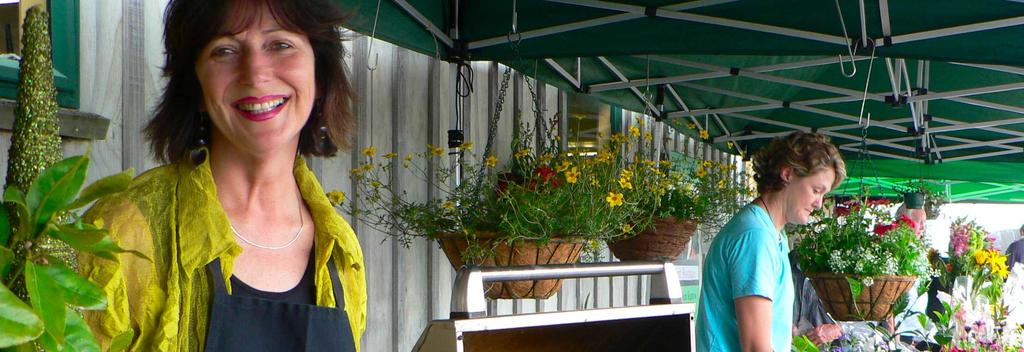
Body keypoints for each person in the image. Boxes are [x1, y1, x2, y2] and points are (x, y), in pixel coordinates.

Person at [79, 1, 366, 351]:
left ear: (319, 76)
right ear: (197, 87)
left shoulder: (340, 249)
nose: (255, 73)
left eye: (280, 45)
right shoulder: (121, 234)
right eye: (225, 50)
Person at [696, 131, 846, 351]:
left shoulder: (774, 234)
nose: (818, 203)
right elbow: (756, 347)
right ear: (787, 174)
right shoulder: (756, 236)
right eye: (816, 190)